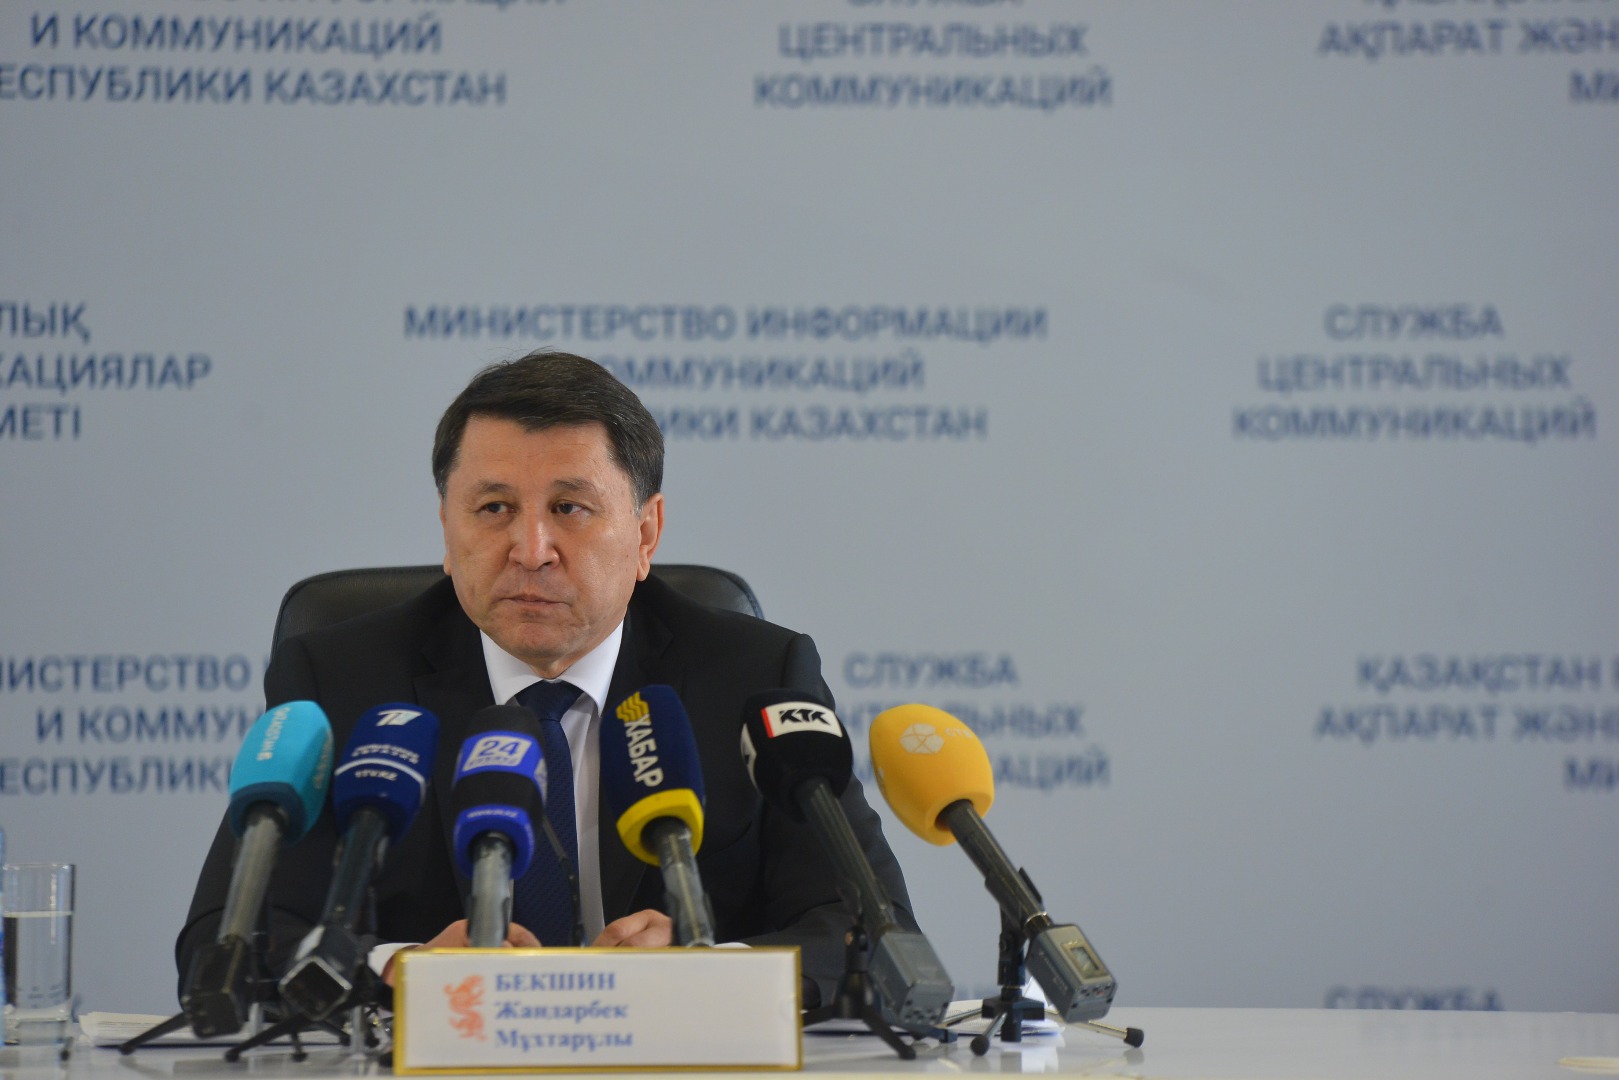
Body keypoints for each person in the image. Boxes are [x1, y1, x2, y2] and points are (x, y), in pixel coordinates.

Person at [175, 350, 917, 1007]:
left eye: (570, 508)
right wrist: (399, 970)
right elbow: (226, 943)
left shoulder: (754, 677)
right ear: (447, 529)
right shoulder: (345, 681)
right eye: (494, 508)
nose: (531, 549)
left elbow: (872, 933)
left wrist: (708, 968)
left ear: (645, 533)